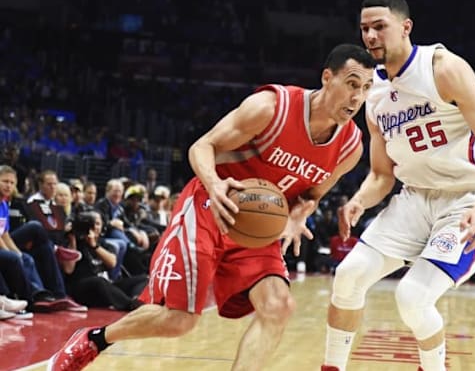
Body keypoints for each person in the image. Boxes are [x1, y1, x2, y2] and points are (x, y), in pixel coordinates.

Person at [48, 43, 375, 371]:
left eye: (366, 88)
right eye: (351, 83)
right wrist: (215, 184)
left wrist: (295, 217)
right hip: (209, 206)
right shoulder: (272, 107)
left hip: (257, 227)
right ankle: (94, 340)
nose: (357, 97)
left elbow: (312, 195)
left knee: (278, 306)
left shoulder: (350, 147)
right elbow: (202, 146)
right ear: (327, 77)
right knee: (179, 321)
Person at [322, 0, 475, 371]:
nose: (371, 36)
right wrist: (360, 199)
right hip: (415, 198)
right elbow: (381, 174)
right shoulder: (371, 92)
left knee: (413, 297)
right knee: (347, 276)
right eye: (365, 30)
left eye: (380, 27)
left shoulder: (443, 67)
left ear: (406, 27)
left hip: (467, 199)